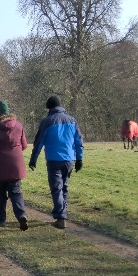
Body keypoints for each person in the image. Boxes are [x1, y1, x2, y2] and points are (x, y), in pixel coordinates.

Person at [29, 96, 84, 229]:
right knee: (64, 187)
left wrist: (33, 158)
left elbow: (38, 142)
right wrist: (80, 159)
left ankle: (60, 217)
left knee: (56, 188)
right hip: (69, 159)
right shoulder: (72, 120)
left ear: (49, 108)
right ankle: (62, 213)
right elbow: (78, 141)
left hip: (54, 159)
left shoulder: (47, 121)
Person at [0, 101, 29, 231]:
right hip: (15, 163)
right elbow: (24, 145)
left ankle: (1, 219)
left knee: (0, 193)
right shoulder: (18, 125)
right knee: (15, 191)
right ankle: (21, 214)